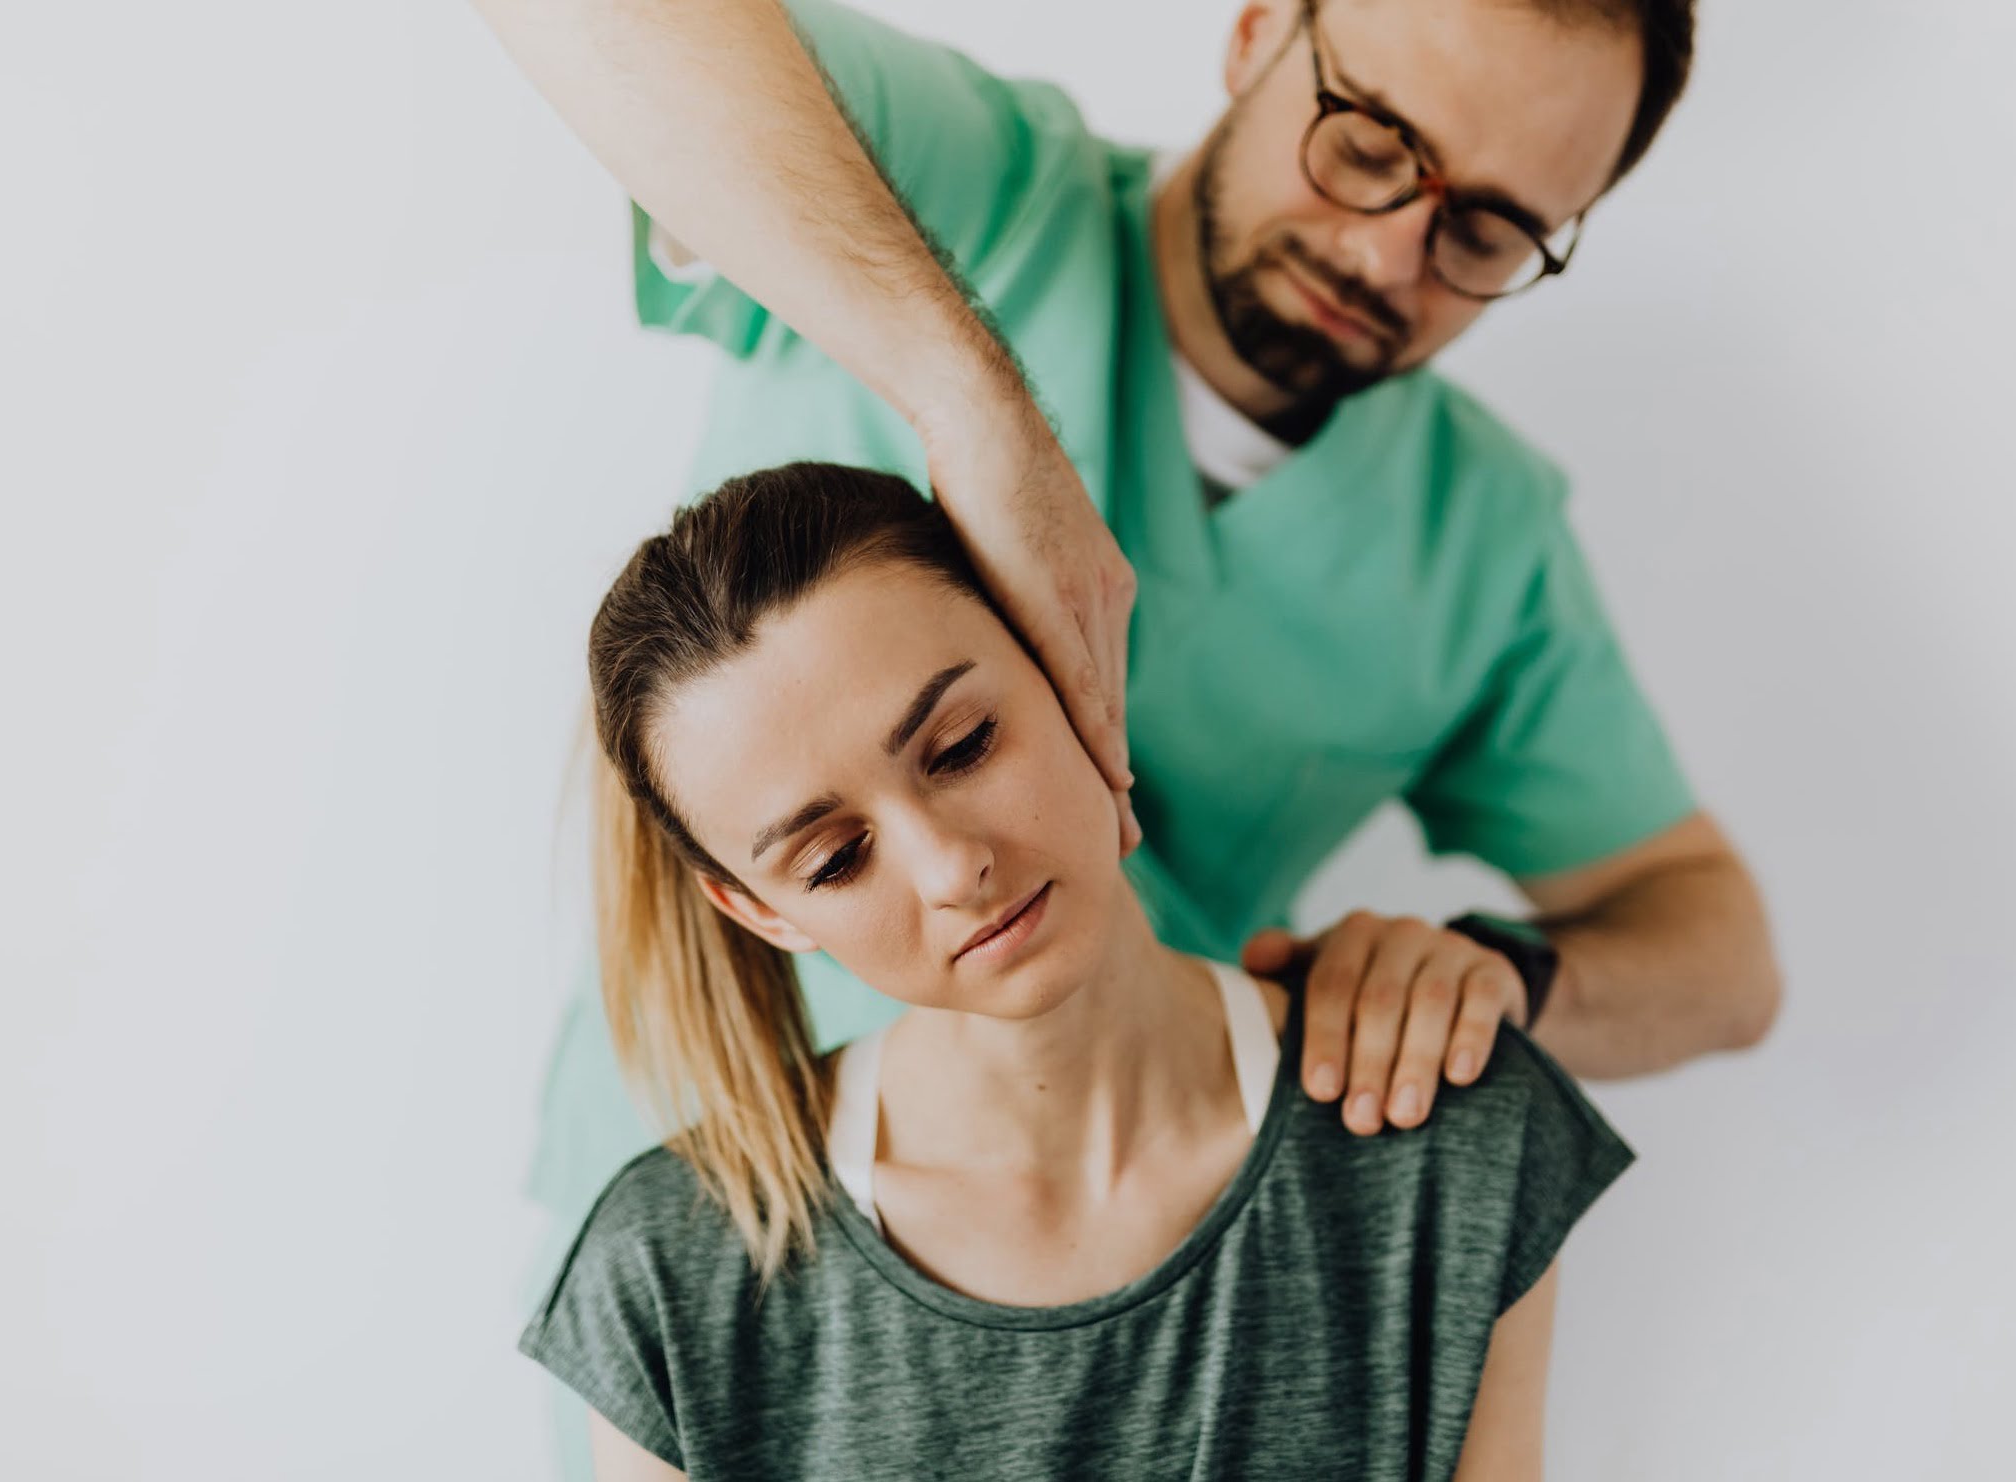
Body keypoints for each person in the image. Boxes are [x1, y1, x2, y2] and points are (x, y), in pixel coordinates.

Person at [478, 5, 1782, 1460]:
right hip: (774, 1275)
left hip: (1194, 1272)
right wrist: (971, 402)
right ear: (1255, 34)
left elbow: (1718, 959)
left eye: (1484, 231)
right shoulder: (971, 191)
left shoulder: (1475, 538)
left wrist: (1487, 978)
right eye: (1366, 145)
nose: (1382, 255)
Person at [527, 460, 1634, 1480]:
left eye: (962, 747)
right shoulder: (668, 1277)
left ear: (1070, 668)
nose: (953, 867)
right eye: (834, 858)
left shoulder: (1445, 1142)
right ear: (762, 914)